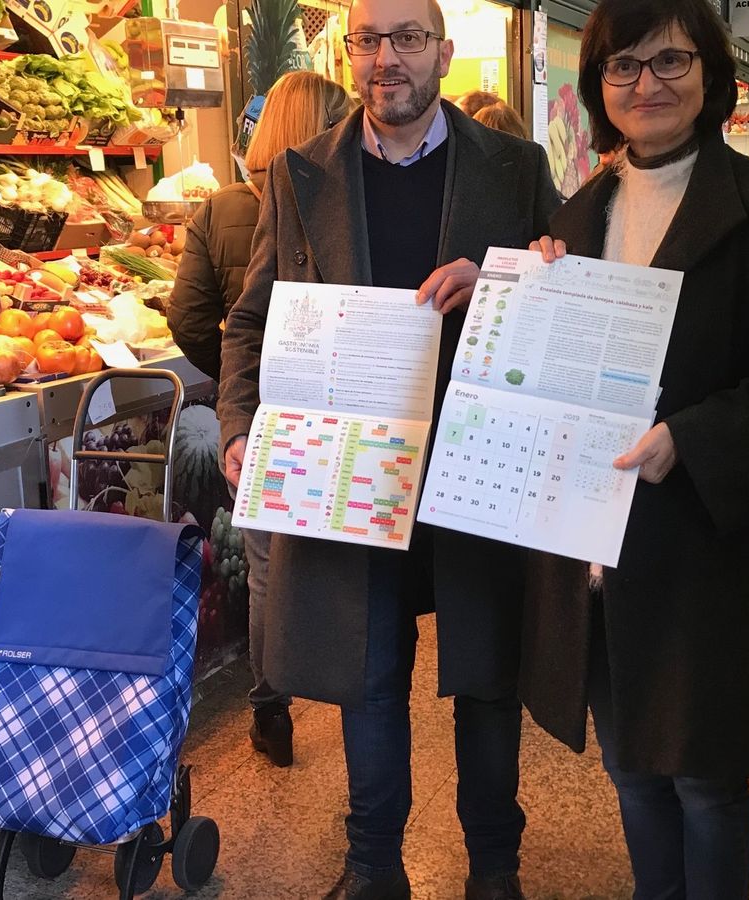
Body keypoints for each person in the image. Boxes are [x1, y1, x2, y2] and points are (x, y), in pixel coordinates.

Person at [217, 0, 561, 896]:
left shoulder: (516, 170)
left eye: (407, 39)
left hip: (478, 475)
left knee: (487, 679)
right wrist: (238, 425)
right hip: (353, 478)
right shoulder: (299, 177)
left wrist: (502, 282)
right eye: (367, 41)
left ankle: (495, 868)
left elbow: (573, 299)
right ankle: (374, 866)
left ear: (443, 53)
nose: (385, 60)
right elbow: (252, 318)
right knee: (369, 679)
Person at [521, 0, 749, 897]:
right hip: (604, 547)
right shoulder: (580, 208)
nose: (648, 85)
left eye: (670, 62)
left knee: (706, 778)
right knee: (634, 764)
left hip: (709, 545)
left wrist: (695, 438)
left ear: (713, 76)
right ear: (599, 87)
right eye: (623, 67)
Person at [169, 70, 352, 769]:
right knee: (344, 541)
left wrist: (233, 387)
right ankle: (349, 678)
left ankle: (270, 705)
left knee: (269, 563)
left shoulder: (220, 210)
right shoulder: (339, 200)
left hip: (262, 413)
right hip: (335, 407)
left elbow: (188, 316)